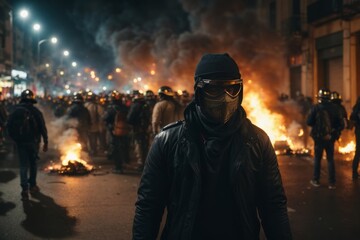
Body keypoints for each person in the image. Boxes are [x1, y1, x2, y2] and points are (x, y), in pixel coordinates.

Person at [133, 53, 292, 239]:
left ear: (240, 91)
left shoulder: (257, 140)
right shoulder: (167, 141)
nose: (225, 97)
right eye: (214, 89)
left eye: (232, 89)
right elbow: (149, 207)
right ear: (199, 92)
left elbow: (272, 205)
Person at [6, 89, 48, 199]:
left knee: (23, 165)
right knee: (33, 164)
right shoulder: (36, 111)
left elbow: (8, 127)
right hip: (33, 142)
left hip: (21, 143)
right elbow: (42, 128)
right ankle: (32, 185)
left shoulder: (15, 111)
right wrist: (45, 142)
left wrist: (15, 139)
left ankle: (24, 188)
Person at [307, 88, 344, 189]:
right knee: (330, 159)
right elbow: (341, 124)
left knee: (317, 159)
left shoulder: (316, 108)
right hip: (330, 138)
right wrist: (333, 133)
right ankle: (332, 183)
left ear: (319, 97)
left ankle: (316, 180)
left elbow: (309, 122)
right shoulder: (335, 108)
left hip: (318, 138)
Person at [103, 90, 130, 173]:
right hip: (125, 130)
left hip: (114, 131)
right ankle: (125, 162)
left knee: (116, 149)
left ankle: (118, 167)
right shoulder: (125, 107)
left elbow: (105, 118)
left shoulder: (111, 108)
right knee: (124, 147)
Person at [127, 90, 152, 171]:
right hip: (146, 129)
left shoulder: (135, 106)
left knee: (138, 146)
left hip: (137, 129)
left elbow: (130, 118)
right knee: (145, 145)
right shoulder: (146, 105)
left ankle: (141, 164)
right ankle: (147, 162)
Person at [84, 91, 105, 156]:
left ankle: (92, 151)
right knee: (94, 140)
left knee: (90, 140)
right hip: (95, 126)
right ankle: (94, 151)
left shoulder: (85, 106)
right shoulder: (97, 106)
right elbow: (102, 115)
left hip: (89, 126)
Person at [350, 97, 360, 180]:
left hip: (359, 131)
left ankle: (354, 172)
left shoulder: (357, 107)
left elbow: (352, 118)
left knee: (358, 151)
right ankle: (354, 172)